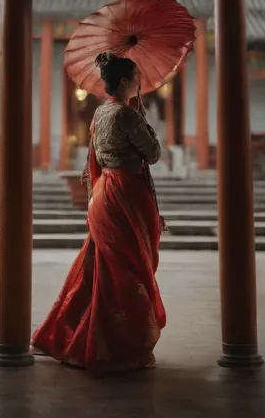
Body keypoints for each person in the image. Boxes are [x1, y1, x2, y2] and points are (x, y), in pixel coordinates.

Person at [30, 51, 167, 374]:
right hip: (127, 195)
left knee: (102, 267)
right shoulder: (127, 116)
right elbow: (154, 154)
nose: (139, 82)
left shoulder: (101, 113)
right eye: (136, 77)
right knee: (125, 272)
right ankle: (117, 346)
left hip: (105, 193)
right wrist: (146, 125)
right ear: (124, 81)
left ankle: (86, 335)